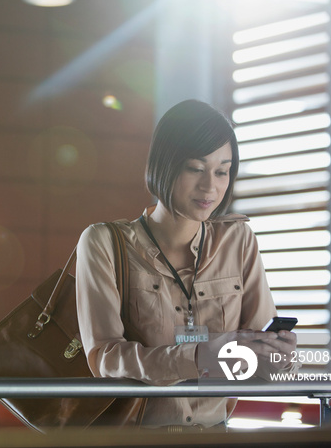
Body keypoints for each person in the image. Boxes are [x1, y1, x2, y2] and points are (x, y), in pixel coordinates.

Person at [75, 99, 297, 430]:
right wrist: (199, 356)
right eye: (195, 168)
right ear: (164, 166)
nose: (211, 186)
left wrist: (278, 356)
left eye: (222, 171)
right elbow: (105, 359)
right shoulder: (103, 242)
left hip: (215, 433)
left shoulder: (238, 241)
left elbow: (259, 366)